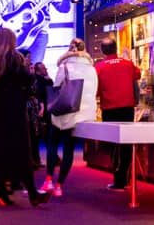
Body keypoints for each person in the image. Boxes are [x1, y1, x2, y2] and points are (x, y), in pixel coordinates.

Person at [0, 28, 52, 207]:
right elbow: (27, 79)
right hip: (13, 109)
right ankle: (32, 193)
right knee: (22, 151)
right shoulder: (14, 58)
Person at [41, 38, 98, 197]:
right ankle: (59, 186)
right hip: (79, 114)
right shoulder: (91, 69)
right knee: (69, 149)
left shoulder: (64, 66)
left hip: (62, 112)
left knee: (53, 143)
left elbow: (57, 87)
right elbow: (93, 91)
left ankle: (48, 180)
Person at [94, 38, 141, 191]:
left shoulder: (99, 67)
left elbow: (96, 90)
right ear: (116, 48)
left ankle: (118, 180)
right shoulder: (127, 64)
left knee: (114, 146)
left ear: (102, 50)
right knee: (126, 144)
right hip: (127, 109)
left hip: (109, 109)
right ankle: (125, 179)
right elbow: (138, 75)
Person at [0, 0, 71, 63]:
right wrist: (2, 24)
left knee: (35, 69)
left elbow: (64, 9)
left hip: (39, 33)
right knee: (12, 68)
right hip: (15, 33)